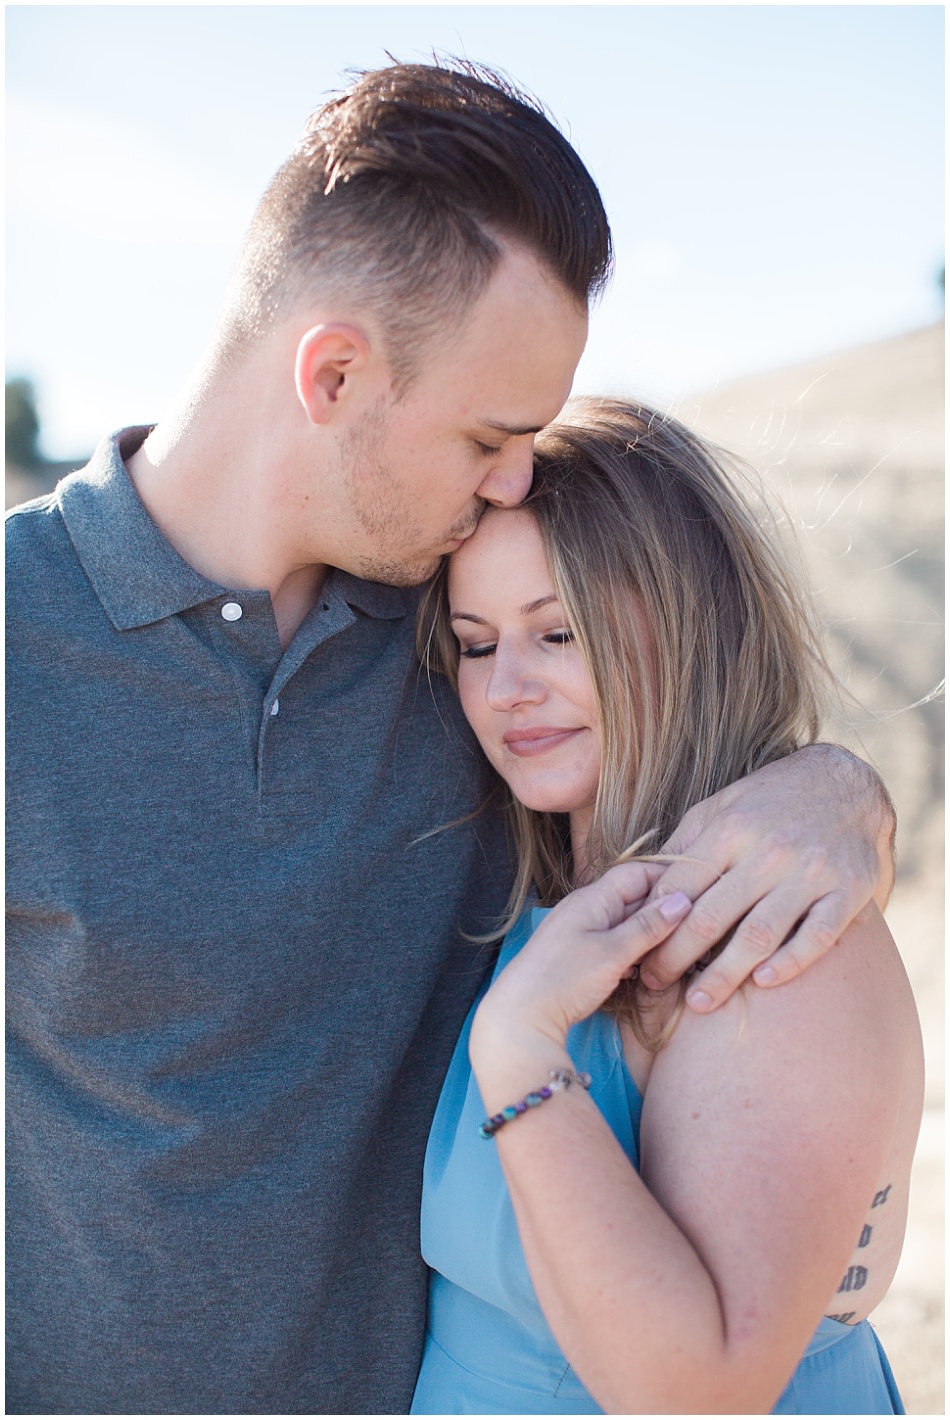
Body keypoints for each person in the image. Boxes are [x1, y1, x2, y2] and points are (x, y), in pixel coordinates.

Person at [6, 59, 895, 1416]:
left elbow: (660, 703)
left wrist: (836, 792)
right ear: (337, 372)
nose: (513, 480)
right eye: (489, 432)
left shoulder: (460, 634)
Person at [411, 397, 924, 1415]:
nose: (506, 686)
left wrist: (519, 1049)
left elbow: (696, 1391)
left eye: (556, 630)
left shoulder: (763, 932)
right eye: (474, 643)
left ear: (688, 622)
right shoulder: (527, 884)